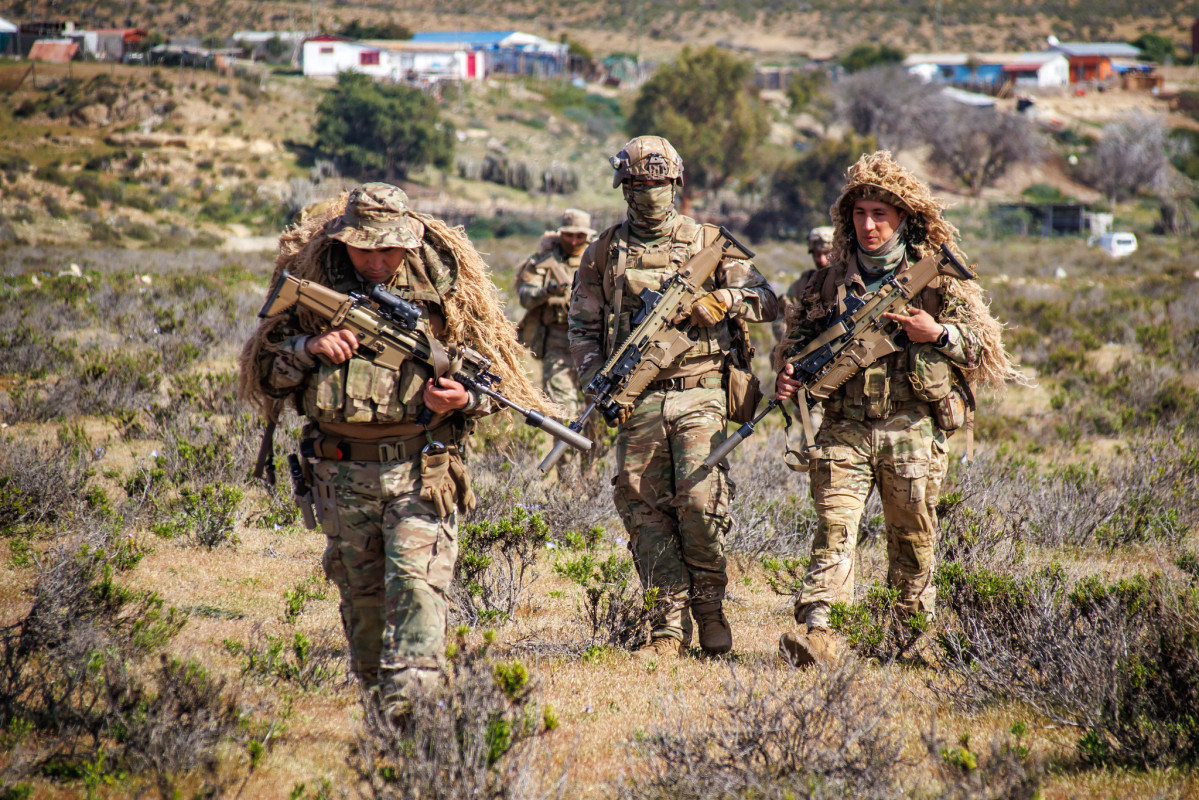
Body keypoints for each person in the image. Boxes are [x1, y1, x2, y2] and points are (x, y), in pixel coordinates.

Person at [239, 183, 551, 713]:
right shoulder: (315, 286)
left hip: (420, 471)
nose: (378, 260)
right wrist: (309, 347)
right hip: (339, 477)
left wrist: (460, 400)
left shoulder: (447, 294)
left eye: (391, 249)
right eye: (366, 248)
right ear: (343, 242)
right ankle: (381, 721)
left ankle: (413, 722)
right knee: (363, 613)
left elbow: (495, 386)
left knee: (419, 597)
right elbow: (265, 374)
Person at [773, 151, 1021, 667]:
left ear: (904, 219)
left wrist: (939, 334)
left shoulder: (937, 279)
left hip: (913, 427)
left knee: (912, 539)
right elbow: (794, 349)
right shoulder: (826, 283)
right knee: (834, 530)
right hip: (842, 427)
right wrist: (788, 374)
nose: (869, 225)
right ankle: (818, 632)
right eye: (860, 214)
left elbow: (983, 350)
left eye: (880, 215)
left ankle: (909, 641)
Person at [569, 136, 778, 659]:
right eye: (638, 185)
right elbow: (582, 328)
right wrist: (602, 382)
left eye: (658, 183)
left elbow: (771, 300)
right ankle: (665, 627)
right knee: (644, 509)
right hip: (636, 397)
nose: (649, 194)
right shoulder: (602, 252)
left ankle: (710, 613)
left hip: (700, 391)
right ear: (624, 189)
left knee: (702, 503)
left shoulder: (709, 243)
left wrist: (728, 299)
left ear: (676, 184)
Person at [515, 209, 596, 470]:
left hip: (595, 345)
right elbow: (525, 296)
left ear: (588, 235)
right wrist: (545, 292)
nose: (573, 241)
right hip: (558, 343)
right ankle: (567, 481)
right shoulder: (543, 261)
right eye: (568, 235)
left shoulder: (597, 259)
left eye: (579, 236)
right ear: (560, 234)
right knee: (563, 410)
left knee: (595, 414)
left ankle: (592, 479)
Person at [772, 226, 834, 344]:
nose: (821, 260)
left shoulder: (847, 280)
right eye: (816, 254)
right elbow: (781, 318)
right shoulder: (803, 285)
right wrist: (795, 342)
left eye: (826, 253)